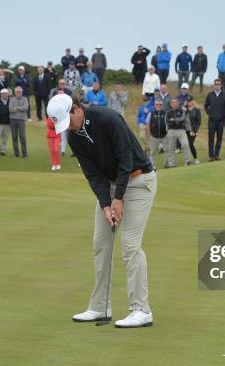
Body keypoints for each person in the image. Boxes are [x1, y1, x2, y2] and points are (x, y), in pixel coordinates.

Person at [47, 93, 157, 328]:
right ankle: (100, 306)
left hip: (139, 181)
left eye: (68, 121)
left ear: (76, 109)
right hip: (110, 185)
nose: (69, 128)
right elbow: (93, 174)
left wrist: (119, 199)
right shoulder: (74, 136)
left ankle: (141, 310)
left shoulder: (108, 118)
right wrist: (107, 204)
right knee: (101, 244)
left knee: (130, 245)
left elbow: (125, 158)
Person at [165, 98, 195, 167]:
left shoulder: (181, 111)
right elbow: (168, 122)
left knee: (185, 144)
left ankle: (188, 161)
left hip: (181, 130)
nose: (174, 104)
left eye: (176, 103)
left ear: (178, 104)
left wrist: (174, 120)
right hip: (171, 131)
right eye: (173, 103)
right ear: (171, 104)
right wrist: (175, 122)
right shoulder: (168, 112)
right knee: (171, 148)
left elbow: (183, 119)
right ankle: (171, 163)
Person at [204, 79, 225, 161]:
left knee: (219, 138)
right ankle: (211, 155)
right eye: (216, 84)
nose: (217, 85)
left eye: (219, 84)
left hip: (221, 121)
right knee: (211, 138)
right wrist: (209, 113)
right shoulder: (210, 95)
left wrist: (223, 115)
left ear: (221, 85)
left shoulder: (224, 95)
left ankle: (217, 154)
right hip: (212, 121)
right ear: (214, 85)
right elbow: (206, 105)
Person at [9, 86, 29, 158]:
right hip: (13, 119)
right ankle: (16, 154)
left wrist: (16, 108)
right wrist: (20, 109)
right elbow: (10, 109)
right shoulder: (12, 99)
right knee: (14, 137)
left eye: (19, 92)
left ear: (21, 92)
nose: (18, 93)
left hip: (21, 120)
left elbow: (26, 107)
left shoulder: (25, 99)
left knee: (22, 137)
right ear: (15, 92)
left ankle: (24, 154)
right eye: (17, 92)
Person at [146, 99, 167, 167]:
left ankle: (166, 164)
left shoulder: (166, 113)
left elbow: (168, 125)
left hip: (164, 136)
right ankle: (151, 166)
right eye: (157, 104)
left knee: (167, 151)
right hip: (154, 137)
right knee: (152, 152)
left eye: (160, 104)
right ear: (155, 105)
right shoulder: (151, 114)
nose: (158, 105)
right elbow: (148, 125)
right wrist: (149, 136)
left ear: (162, 105)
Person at [0, 88, 11, 157]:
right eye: (3, 93)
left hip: (8, 122)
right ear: (1, 94)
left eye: (6, 93)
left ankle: (2, 150)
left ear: (8, 94)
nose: (4, 95)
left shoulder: (11, 101)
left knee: (5, 137)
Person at [185, 97, 201, 162]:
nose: (189, 102)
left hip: (192, 130)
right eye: (188, 101)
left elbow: (198, 121)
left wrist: (194, 130)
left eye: (190, 101)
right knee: (186, 145)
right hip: (185, 130)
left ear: (193, 102)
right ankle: (188, 159)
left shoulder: (196, 110)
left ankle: (195, 158)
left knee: (190, 144)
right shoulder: (185, 110)